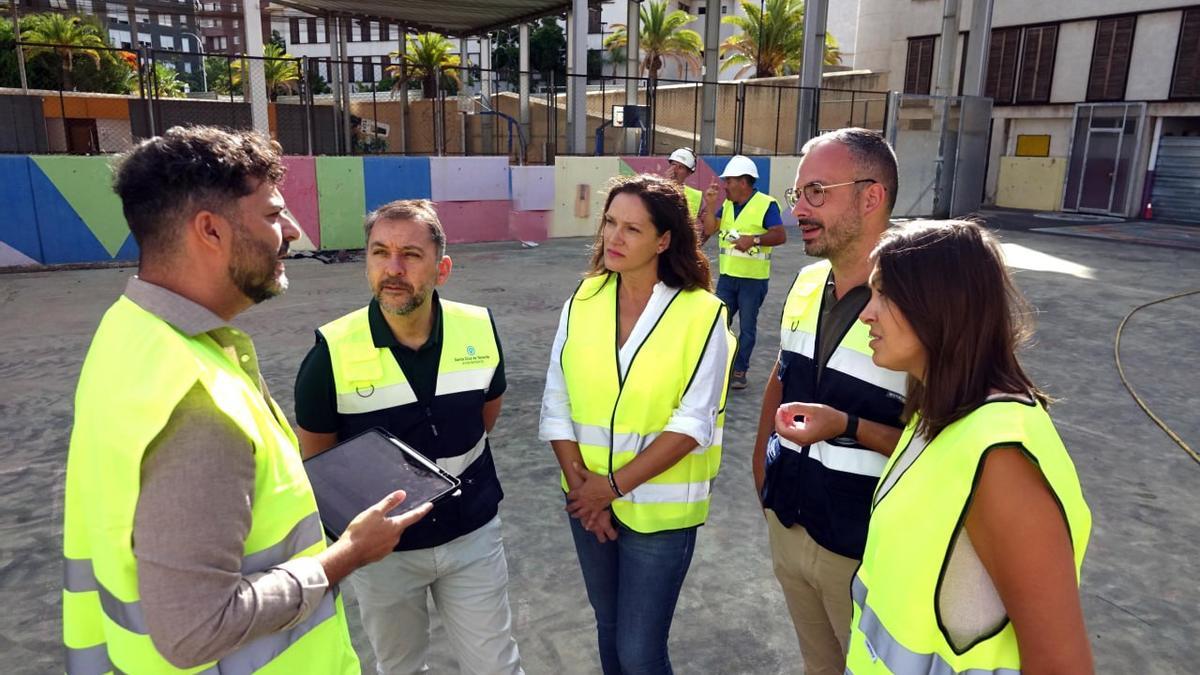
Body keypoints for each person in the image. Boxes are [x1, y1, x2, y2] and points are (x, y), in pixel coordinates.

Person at [62, 126, 429, 674]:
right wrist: (347, 554)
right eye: (272, 214)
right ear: (209, 230)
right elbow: (194, 630)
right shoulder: (198, 408)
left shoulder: (128, 334)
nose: (291, 232)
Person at [840, 220, 1092, 674]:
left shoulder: (1001, 458)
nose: (866, 313)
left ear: (940, 306)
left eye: (885, 295)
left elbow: (1062, 664)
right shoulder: (938, 416)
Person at [294, 199, 523, 675]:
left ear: (442, 268)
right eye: (380, 253)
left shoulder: (477, 329)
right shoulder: (329, 355)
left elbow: (486, 414)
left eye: (411, 255)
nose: (393, 269)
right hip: (384, 556)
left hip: (472, 536)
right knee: (398, 667)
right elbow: (318, 463)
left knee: (495, 664)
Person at [540, 174, 735, 675]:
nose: (614, 238)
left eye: (632, 228)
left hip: (659, 517)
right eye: (609, 223)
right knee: (608, 632)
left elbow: (693, 424)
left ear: (664, 240)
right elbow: (556, 400)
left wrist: (608, 489)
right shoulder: (582, 300)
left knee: (640, 651)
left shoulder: (702, 314)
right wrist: (587, 492)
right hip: (585, 501)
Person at [753, 128, 907, 675]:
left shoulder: (921, 301)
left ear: (871, 197)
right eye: (798, 194)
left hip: (866, 548)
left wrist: (848, 425)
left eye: (817, 192)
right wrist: (762, 476)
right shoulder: (805, 281)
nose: (799, 209)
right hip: (790, 522)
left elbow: (942, 445)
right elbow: (781, 376)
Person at [701, 154, 786, 390]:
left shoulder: (766, 204)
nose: (725, 185)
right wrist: (709, 206)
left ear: (743, 182)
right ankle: (717, 367)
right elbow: (709, 229)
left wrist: (754, 239)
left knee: (747, 329)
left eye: (728, 181)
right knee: (718, 324)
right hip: (728, 279)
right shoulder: (727, 205)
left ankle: (740, 370)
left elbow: (780, 235)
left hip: (753, 280)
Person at [663, 147, 704, 225]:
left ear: (688, 173)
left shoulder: (696, 196)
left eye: (681, 167)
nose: (675, 170)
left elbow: (708, 228)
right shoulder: (656, 191)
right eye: (673, 165)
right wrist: (666, 184)